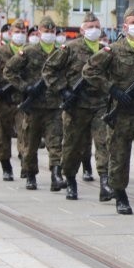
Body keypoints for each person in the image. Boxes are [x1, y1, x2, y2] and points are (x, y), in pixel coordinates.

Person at [82, 6, 134, 215]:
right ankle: (120, 195)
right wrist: (113, 89)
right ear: (125, 26)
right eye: (133, 22)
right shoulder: (113, 50)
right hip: (121, 113)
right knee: (118, 156)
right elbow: (89, 70)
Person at [43, 12, 112, 201]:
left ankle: (105, 182)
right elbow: (49, 69)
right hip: (76, 106)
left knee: (103, 143)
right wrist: (62, 90)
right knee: (73, 146)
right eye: (89, 27)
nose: (93, 30)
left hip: (100, 105)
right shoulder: (70, 48)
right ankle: (71, 181)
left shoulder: (106, 50)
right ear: (82, 30)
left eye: (96, 26)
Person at [4, 16, 65, 191]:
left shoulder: (61, 52)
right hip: (33, 107)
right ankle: (30, 175)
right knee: (30, 145)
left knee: (55, 143)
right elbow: (9, 70)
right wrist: (25, 87)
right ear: (39, 32)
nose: (50, 34)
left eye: (52, 31)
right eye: (46, 31)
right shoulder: (29, 51)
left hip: (54, 106)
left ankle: (56, 175)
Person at [0, 19, 28, 181]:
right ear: (10, 34)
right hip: (4, 101)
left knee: (25, 133)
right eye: (17, 32)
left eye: (22, 32)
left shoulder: (29, 51)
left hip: (23, 101)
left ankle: (26, 164)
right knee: (3, 135)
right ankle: (6, 167)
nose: (20, 35)